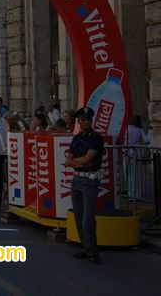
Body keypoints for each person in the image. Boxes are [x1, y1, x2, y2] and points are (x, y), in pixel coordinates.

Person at [63, 107, 104, 264]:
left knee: (88, 217)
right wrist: (73, 161)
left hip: (90, 180)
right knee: (79, 216)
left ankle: (93, 252)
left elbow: (88, 159)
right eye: (83, 119)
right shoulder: (77, 138)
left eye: (89, 119)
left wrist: (73, 162)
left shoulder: (96, 138)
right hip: (77, 179)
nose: (86, 122)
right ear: (78, 122)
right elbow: (69, 157)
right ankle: (86, 248)